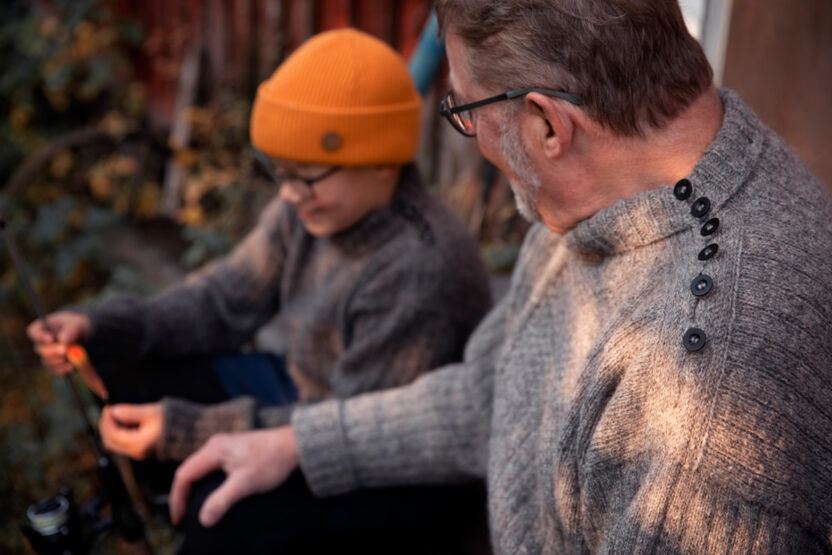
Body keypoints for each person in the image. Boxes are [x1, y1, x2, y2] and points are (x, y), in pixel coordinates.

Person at [167, 1, 832, 553]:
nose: (473, 134)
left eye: (465, 109)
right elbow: (493, 390)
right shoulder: (598, 201)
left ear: (547, 123)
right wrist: (296, 443)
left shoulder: (706, 409)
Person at [27, 28, 492, 552]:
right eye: (280, 174)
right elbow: (222, 300)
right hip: (304, 394)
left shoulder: (419, 267)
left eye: (307, 176)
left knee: (219, 514)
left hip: (388, 464)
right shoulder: (313, 208)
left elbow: (351, 432)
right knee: (118, 361)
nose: (290, 194)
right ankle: (163, 501)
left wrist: (188, 429)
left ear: (383, 161)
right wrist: (101, 324)